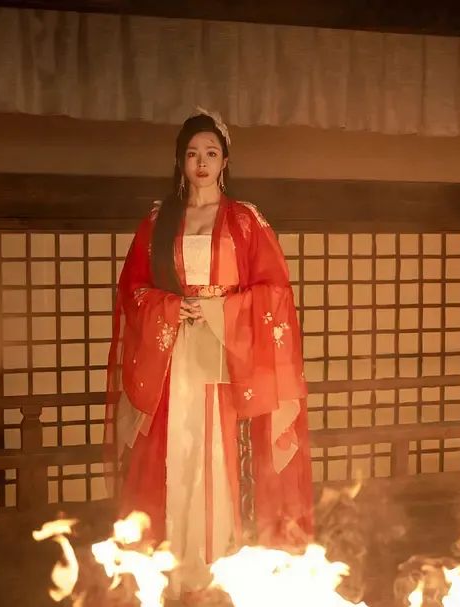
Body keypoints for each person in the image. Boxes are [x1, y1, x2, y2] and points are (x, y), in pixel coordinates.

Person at [104, 108, 313, 594]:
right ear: (180, 161)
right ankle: (175, 567)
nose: (202, 162)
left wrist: (223, 309)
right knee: (178, 446)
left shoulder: (245, 220)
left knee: (222, 448)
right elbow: (132, 288)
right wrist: (169, 306)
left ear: (225, 161)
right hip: (174, 349)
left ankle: (224, 564)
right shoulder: (158, 221)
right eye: (193, 153)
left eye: (211, 153)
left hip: (227, 347)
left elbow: (275, 292)